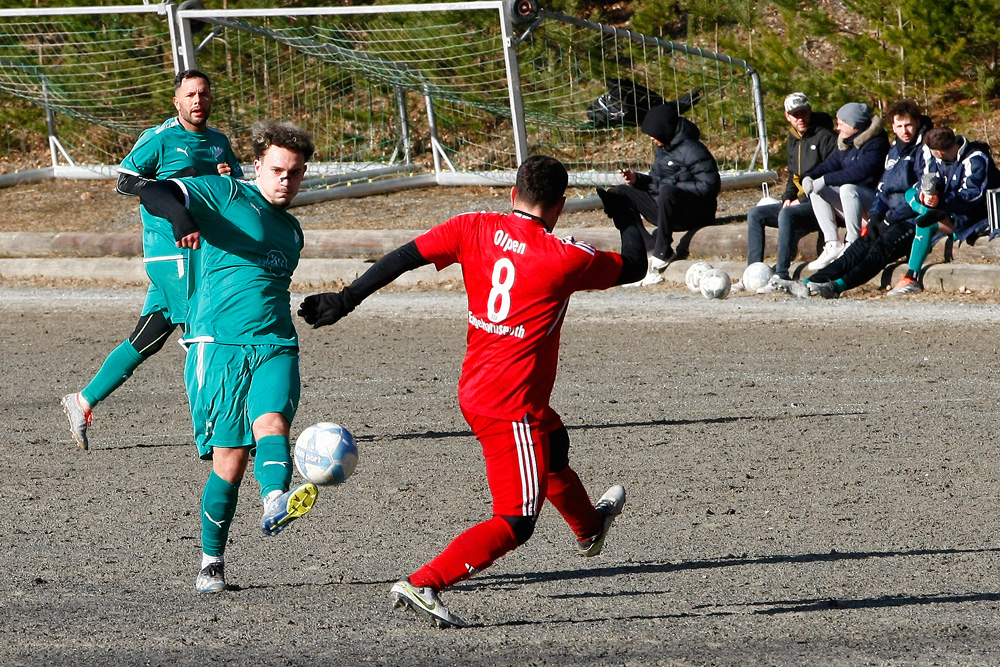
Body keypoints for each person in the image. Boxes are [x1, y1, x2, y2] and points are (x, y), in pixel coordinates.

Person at [298, 156, 645, 628]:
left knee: (555, 443)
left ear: (512, 194)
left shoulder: (473, 226)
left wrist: (346, 298)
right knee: (518, 520)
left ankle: (589, 527)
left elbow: (404, 256)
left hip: (476, 387)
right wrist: (625, 214)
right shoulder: (565, 257)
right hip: (510, 407)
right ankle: (425, 582)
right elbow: (636, 265)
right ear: (560, 206)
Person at [136, 120, 319, 593]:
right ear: (257, 166)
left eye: (295, 172)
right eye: (278, 169)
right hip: (216, 346)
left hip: (277, 342)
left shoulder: (292, 231)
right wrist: (181, 219)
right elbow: (155, 191)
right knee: (230, 461)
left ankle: (276, 500)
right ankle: (211, 562)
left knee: (272, 419)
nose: (286, 180)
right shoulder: (223, 194)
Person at [61, 69, 243, 450]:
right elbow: (125, 179)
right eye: (190, 94)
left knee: (149, 337)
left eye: (204, 93)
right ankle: (209, 437)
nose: (197, 100)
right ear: (176, 101)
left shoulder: (218, 142)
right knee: (203, 337)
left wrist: (230, 178)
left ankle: (82, 401)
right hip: (169, 254)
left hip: (201, 255)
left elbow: (235, 192)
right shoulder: (159, 139)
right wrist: (171, 205)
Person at [771, 100, 932, 299]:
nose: (904, 131)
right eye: (899, 126)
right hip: (889, 215)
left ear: (916, 123)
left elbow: (921, 191)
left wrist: (891, 218)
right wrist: (875, 217)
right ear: (893, 127)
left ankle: (837, 286)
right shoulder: (895, 150)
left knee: (879, 251)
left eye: (908, 125)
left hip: (911, 219)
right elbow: (883, 188)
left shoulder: (924, 149)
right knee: (857, 248)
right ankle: (811, 282)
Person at [610, 103, 721, 286]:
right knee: (619, 193)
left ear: (665, 129)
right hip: (667, 209)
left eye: (655, 133)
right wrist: (638, 180)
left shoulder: (693, 149)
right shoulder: (663, 150)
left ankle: (663, 250)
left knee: (667, 191)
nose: (652, 138)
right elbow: (657, 182)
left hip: (695, 212)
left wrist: (673, 187)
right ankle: (648, 247)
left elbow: (710, 186)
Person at [887, 127, 1000, 295]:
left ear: (939, 152)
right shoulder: (941, 160)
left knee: (925, 222)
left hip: (976, 219)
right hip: (950, 212)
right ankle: (928, 210)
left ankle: (911, 277)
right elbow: (928, 181)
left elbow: (971, 198)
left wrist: (942, 202)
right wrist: (926, 195)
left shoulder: (976, 159)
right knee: (911, 194)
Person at [742, 92, 836, 293]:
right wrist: (788, 198)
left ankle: (781, 274)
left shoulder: (825, 137)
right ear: (787, 117)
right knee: (756, 214)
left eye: (804, 113)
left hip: (821, 204)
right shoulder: (793, 141)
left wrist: (800, 200)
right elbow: (793, 177)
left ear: (810, 112)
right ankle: (752, 272)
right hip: (799, 203)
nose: (800, 118)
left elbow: (829, 177)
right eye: (795, 115)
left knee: (787, 214)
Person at [798, 102, 889, 271]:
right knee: (817, 189)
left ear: (854, 124)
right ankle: (832, 243)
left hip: (874, 205)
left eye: (841, 123)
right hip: (853, 205)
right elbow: (829, 165)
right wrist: (809, 177)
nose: (837, 127)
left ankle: (853, 242)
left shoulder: (876, 144)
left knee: (848, 187)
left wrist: (825, 179)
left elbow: (860, 173)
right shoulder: (846, 142)